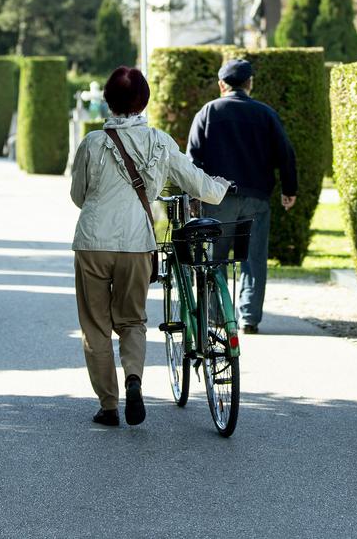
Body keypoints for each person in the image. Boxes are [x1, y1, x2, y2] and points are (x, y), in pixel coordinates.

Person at [70, 67, 230, 428]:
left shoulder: (93, 143)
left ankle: (108, 406)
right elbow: (198, 184)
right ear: (144, 101)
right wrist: (220, 187)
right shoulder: (160, 142)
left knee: (95, 326)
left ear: (109, 101)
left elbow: (77, 195)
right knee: (132, 320)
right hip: (136, 243)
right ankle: (134, 380)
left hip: (93, 242)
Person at [186, 59, 297, 334]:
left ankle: (216, 316)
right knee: (254, 259)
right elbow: (286, 153)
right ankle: (249, 318)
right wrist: (289, 189)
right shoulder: (266, 113)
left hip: (218, 198)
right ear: (250, 83)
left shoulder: (208, 112)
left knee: (215, 258)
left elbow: (193, 159)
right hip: (257, 198)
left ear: (221, 84)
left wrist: (194, 196)